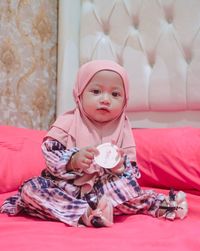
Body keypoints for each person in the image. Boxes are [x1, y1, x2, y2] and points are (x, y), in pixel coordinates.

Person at [0, 60, 188, 227]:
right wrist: (73, 160)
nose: (105, 100)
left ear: (125, 101)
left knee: (133, 192)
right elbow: (50, 154)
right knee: (31, 190)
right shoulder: (67, 123)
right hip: (66, 189)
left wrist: (119, 167)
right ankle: (84, 212)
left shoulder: (123, 129)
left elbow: (131, 169)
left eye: (115, 94)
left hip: (106, 191)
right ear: (79, 94)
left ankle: (163, 205)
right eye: (96, 91)